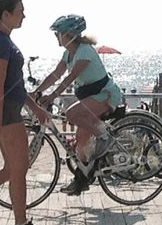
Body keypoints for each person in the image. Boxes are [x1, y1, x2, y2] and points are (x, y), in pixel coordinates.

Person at [0, 0, 51, 225]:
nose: (24, 15)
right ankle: (21, 224)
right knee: (19, 169)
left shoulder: (5, 41)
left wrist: (36, 108)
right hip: (6, 112)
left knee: (13, 169)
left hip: (10, 108)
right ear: (5, 15)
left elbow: (16, 86)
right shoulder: (0, 42)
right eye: (20, 10)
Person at [35, 14, 124, 195]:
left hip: (105, 95)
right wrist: (37, 91)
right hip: (92, 97)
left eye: (57, 33)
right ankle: (82, 179)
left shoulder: (84, 51)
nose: (56, 37)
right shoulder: (69, 53)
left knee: (71, 114)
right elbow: (55, 74)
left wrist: (52, 96)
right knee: (80, 146)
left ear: (69, 34)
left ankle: (104, 136)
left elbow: (69, 78)